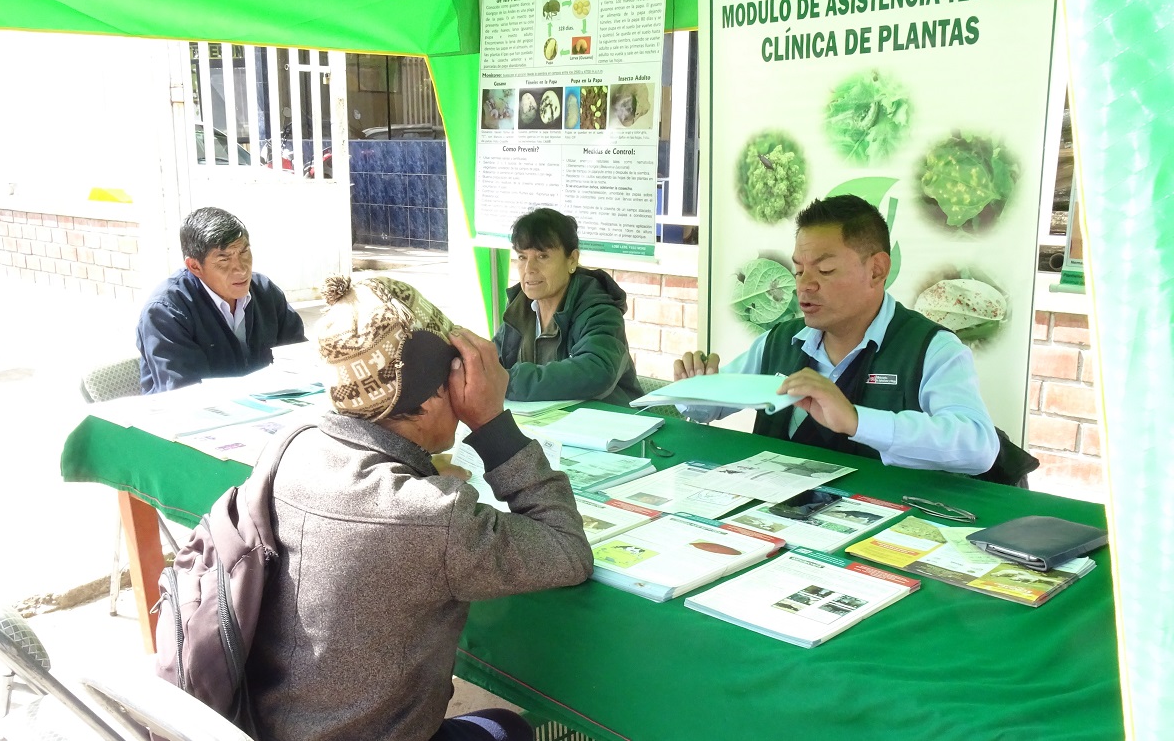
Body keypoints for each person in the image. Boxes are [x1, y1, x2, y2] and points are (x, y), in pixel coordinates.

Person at [247, 275, 593, 741]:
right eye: (458, 377)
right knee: (507, 728)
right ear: (431, 398)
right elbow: (567, 550)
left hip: (263, 725)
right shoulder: (429, 516)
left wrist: (422, 471)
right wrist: (492, 423)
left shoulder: (292, 446)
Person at [673, 194, 999, 475]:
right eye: (799, 270)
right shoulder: (781, 341)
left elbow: (979, 447)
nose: (805, 285)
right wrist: (695, 389)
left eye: (825, 270)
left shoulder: (931, 349)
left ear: (877, 270)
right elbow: (707, 409)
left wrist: (857, 421)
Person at [135, 207, 305, 393]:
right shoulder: (166, 312)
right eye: (224, 260)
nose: (241, 269)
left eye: (244, 252)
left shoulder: (264, 291)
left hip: (270, 402)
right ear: (195, 266)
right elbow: (184, 394)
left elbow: (301, 359)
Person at [493, 207, 642, 406]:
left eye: (542, 256)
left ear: (572, 260)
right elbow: (491, 362)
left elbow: (597, 370)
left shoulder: (599, 309)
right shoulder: (519, 308)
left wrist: (508, 381)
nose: (529, 269)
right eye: (522, 257)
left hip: (611, 420)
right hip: (546, 422)